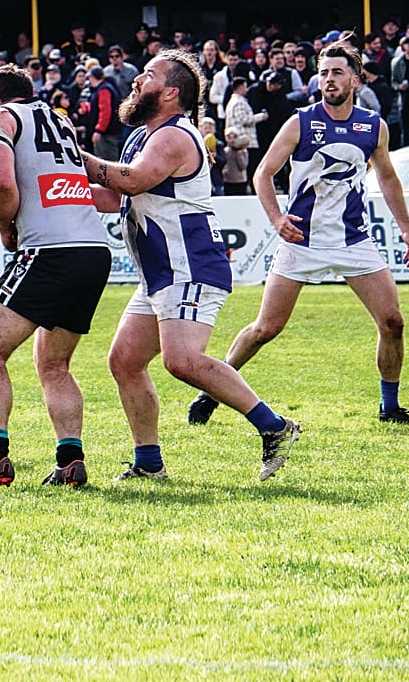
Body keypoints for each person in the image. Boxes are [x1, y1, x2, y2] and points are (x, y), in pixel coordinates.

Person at [83, 50, 301, 482]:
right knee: (125, 360)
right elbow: (114, 196)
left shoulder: (173, 136)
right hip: (163, 272)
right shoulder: (142, 137)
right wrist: (57, 186)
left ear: (169, 93)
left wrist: (73, 154)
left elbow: (131, 180)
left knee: (181, 360)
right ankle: (149, 464)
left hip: (189, 265)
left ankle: (275, 427)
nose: (136, 80)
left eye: (147, 75)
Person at [187, 39, 409, 428]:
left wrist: (406, 230)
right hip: (301, 240)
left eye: (337, 73)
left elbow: (387, 178)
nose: (328, 79)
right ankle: (212, 390)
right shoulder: (300, 122)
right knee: (266, 328)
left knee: (393, 322)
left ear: (355, 79)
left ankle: (390, 407)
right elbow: (263, 174)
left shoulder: (374, 126)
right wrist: (277, 219)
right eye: (323, 73)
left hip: (352, 240)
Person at [0, 66, 113, 489]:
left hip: (49, 252)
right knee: (54, 364)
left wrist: (6, 230)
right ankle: (70, 463)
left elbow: (2, 183)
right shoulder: (60, 121)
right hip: (93, 252)